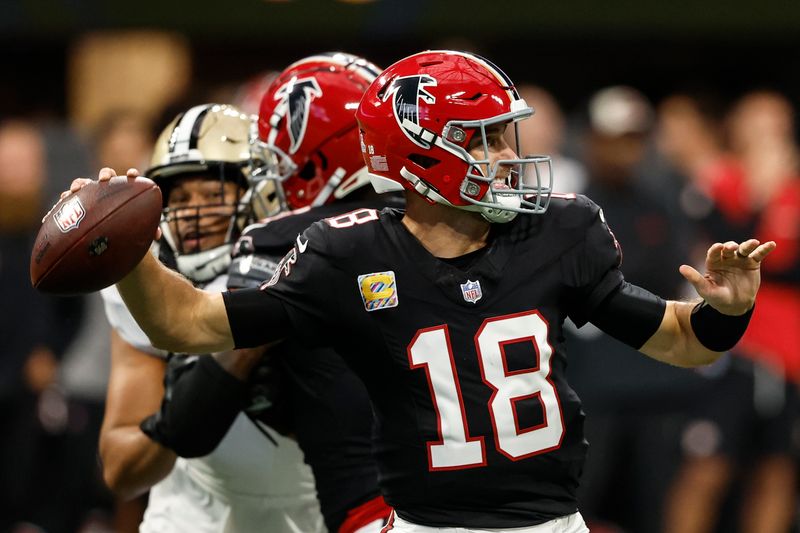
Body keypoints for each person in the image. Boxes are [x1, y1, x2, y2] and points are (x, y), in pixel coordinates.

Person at [71, 50, 775, 533]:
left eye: (506, 136)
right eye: (486, 139)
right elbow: (188, 322)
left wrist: (724, 312)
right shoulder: (346, 252)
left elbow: (678, 338)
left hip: (551, 522)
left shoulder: (562, 231)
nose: (508, 156)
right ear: (420, 153)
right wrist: (128, 253)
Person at [142, 52, 398, 533]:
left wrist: (130, 266)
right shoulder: (440, 225)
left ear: (320, 159)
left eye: (281, 161)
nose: (274, 178)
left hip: (365, 506)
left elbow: (188, 427)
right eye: (180, 197)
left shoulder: (291, 244)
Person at [97, 103, 325, 533]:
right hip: (194, 516)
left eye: (212, 193)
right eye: (179, 198)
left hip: (319, 511)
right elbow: (120, 469)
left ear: (262, 195)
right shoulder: (148, 291)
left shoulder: (313, 270)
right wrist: (183, 413)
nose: (192, 212)